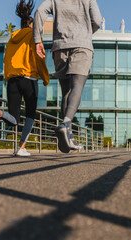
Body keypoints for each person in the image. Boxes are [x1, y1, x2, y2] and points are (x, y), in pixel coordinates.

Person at [33, 0, 102, 153]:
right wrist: (85, 33)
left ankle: (68, 136)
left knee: (66, 92)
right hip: (82, 45)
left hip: (60, 47)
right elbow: (97, 20)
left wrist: (38, 40)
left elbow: (39, 12)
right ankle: (65, 124)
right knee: (76, 86)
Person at [0, 0, 49, 156]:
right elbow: (39, 58)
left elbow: (7, 60)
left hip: (12, 80)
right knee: (30, 116)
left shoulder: (12, 39)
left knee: (14, 119)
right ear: (32, 26)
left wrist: (9, 78)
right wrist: (45, 78)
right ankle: (21, 148)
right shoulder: (34, 36)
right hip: (29, 79)